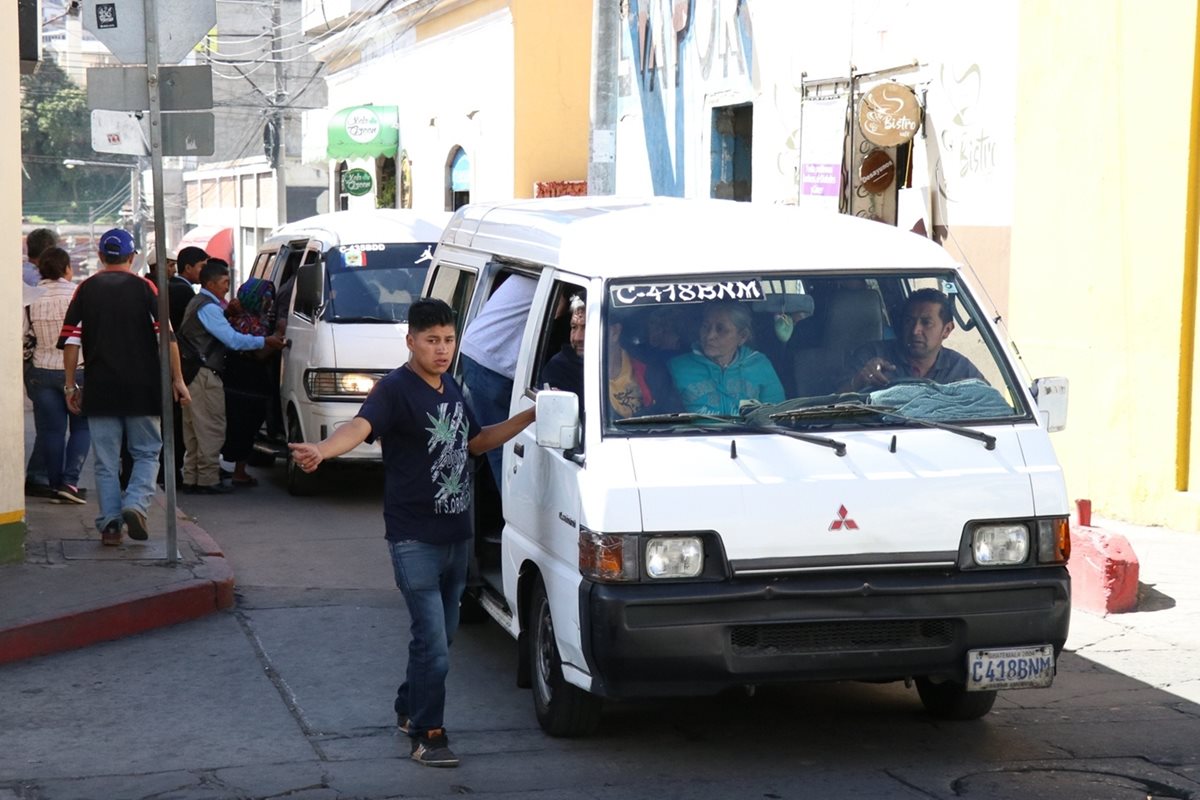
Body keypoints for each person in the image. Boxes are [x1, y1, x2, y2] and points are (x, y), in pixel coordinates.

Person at [288, 299, 535, 769]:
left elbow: (475, 442)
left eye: (448, 340)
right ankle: (428, 734)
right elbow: (360, 427)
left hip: (456, 535)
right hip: (413, 538)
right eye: (431, 341)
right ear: (411, 342)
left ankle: (408, 707)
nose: (441, 350)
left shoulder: (452, 387)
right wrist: (323, 449)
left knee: (439, 639)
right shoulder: (393, 390)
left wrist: (528, 417)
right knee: (433, 644)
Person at [59, 228, 192, 547]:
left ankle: (110, 527)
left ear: (102, 256)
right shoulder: (147, 288)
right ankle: (135, 503)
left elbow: (71, 342)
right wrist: (178, 380)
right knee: (147, 453)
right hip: (143, 389)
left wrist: (69, 386)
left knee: (105, 461)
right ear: (132, 258)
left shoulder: (86, 289)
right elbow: (168, 339)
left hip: (101, 389)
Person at [177, 259, 285, 494]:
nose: (227, 287)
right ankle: (206, 480)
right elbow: (233, 340)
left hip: (192, 374)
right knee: (210, 428)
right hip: (204, 374)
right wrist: (265, 341)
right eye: (225, 282)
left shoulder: (202, 303)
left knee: (195, 431)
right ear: (211, 283)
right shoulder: (209, 308)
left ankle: (193, 478)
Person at [459, 273, 537, 488]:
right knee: (504, 447)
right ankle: (512, 516)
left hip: (481, 354)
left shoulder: (528, 270)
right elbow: (557, 309)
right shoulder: (549, 269)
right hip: (489, 361)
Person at [25, 247, 90, 504]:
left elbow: (23, 336)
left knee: (51, 431)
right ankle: (70, 483)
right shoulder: (78, 294)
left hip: (41, 370)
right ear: (67, 268)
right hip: (79, 370)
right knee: (81, 426)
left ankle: (54, 486)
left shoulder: (30, 298)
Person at [842, 288, 984, 391]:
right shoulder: (871, 356)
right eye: (909, 321)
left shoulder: (961, 369)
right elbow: (830, 408)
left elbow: (994, 410)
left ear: (946, 330)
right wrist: (860, 380)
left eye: (926, 323)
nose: (915, 330)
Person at [668, 300, 785, 415]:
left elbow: (776, 415)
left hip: (752, 434)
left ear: (742, 336)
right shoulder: (677, 367)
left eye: (721, 329)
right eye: (705, 327)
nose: (710, 336)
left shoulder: (759, 365)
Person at [221, 278, 277, 487]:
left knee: (236, 426)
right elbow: (261, 355)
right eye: (266, 298)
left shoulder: (233, 317)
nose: (269, 302)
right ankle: (239, 472)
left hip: (233, 380)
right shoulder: (250, 322)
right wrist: (277, 337)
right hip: (248, 383)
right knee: (244, 426)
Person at [22, 227, 61, 498]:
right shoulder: (38, 283)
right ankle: (42, 475)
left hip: (26, 356)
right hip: (38, 359)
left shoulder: (17, 273)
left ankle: (42, 474)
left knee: (47, 422)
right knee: (52, 423)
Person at [541, 294, 585, 403]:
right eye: (574, 327)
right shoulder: (559, 370)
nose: (577, 338)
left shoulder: (632, 364)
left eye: (587, 328)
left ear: (614, 332)